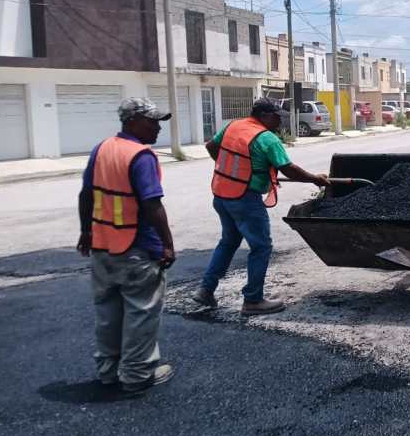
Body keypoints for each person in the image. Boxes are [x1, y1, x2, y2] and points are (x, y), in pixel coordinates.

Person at [193, 97, 329, 316]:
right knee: (261, 246)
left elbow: (212, 146)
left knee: (228, 241)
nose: (280, 121)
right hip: (245, 199)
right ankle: (253, 300)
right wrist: (316, 179)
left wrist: (226, 169)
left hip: (221, 194)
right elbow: (289, 169)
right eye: (277, 117)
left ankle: (206, 290)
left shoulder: (233, 125)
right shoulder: (266, 139)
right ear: (264, 116)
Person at [76, 97, 176, 394]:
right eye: (152, 121)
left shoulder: (102, 148)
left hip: (103, 247)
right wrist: (167, 245)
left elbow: (86, 194)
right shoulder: (140, 156)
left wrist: (86, 231)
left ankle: (108, 371)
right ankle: (136, 375)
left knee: (108, 312)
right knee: (141, 312)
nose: (158, 128)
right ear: (132, 121)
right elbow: (151, 205)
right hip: (135, 249)